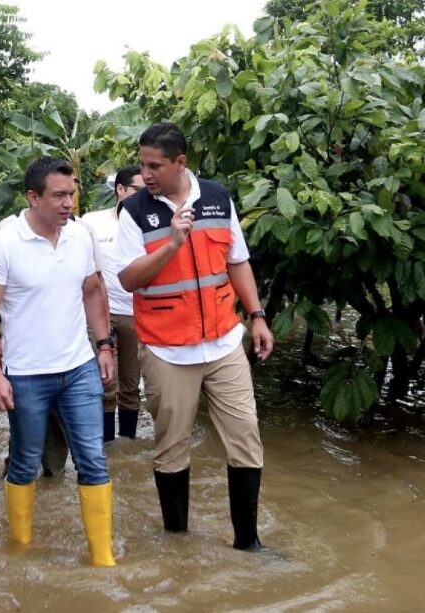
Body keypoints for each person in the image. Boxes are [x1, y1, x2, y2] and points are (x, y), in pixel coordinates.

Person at [116, 123, 274, 550]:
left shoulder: (219, 198)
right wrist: (170, 244)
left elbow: (237, 261)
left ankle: (249, 543)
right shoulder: (134, 212)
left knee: (245, 438)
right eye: (143, 164)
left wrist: (257, 316)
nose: (145, 174)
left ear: (180, 163)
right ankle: (177, 541)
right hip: (166, 349)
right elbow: (128, 278)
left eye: (155, 166)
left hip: (224, 341)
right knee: (171, 448)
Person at [0, 156, 117, 566]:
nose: (67, 203)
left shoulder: (81, 236)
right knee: (24, 462)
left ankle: (103, 556)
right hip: (26, 375)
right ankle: (20, 546)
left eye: (71, 194)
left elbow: (92, 290)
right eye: (58, 195)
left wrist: (104, 345)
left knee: (93, 458)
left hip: (78, 369)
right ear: (33, 197)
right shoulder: (5, 242)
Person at [81, 165, 144, 442]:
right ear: (120, 189)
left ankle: (128, 444)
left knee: (131, 384)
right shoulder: (91, 222)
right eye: (137, 190)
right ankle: (106, 446)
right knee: (105, 382)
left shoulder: (149, 221)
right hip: (102, 315)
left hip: (138, 313)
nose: (144, 196)